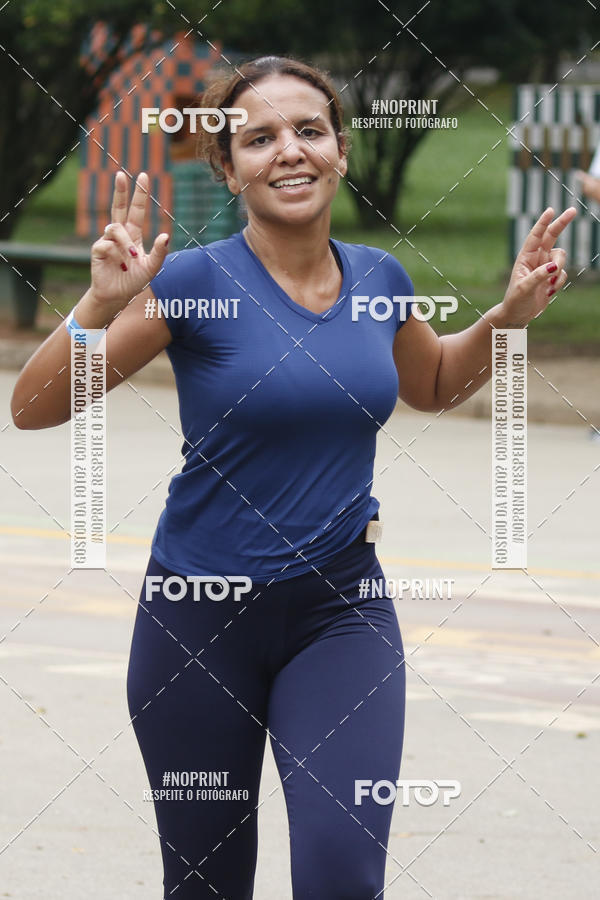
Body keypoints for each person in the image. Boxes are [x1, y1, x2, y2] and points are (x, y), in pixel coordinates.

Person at [11, 55, 576, 900]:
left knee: (344, 873)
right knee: (207, 884)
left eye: (309, 130)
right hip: (197, 622)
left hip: (340, 611)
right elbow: (34, 406)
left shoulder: (381, 277)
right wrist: (96, 307)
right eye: (260, 137)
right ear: (229, 168)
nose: (289, 151)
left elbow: (430, 386)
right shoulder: (192, 283)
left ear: (341, 151)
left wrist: (506, 319)